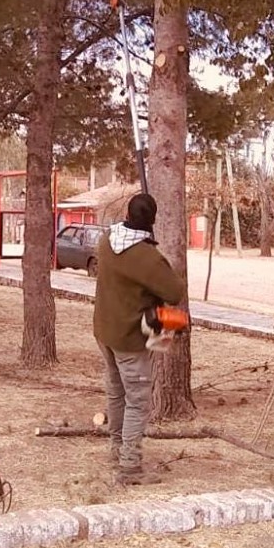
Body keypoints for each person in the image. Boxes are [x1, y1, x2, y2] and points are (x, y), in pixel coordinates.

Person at [93, 192, 184, 486]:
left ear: (127, 215)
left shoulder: (107, 240)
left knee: (116, 393)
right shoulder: (148, 257)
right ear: (152, 221)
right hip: (130, 338)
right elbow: (174, 292)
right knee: (137, 401)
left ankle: (117, 450)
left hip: (104, 330)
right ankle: (130, 466)